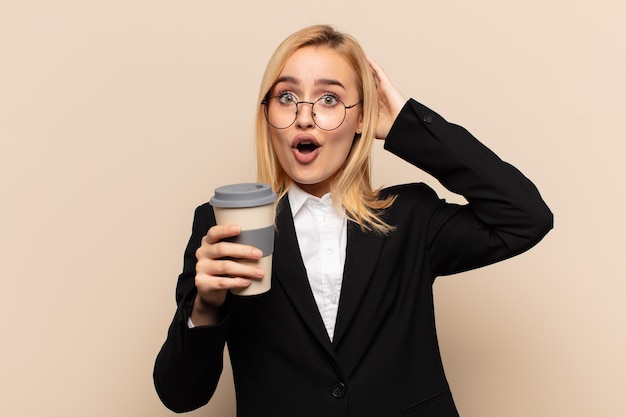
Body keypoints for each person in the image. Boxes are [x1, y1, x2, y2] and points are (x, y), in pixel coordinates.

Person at [154, 24, 553, 417]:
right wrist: (204, 306)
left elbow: (525, 217)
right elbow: (180, 395)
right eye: (287, 96)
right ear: (267, 113)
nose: (304, 117)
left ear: (362, 119)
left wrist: (405, 126)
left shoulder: (411, 217)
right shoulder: (224, 226)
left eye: (329, 99)